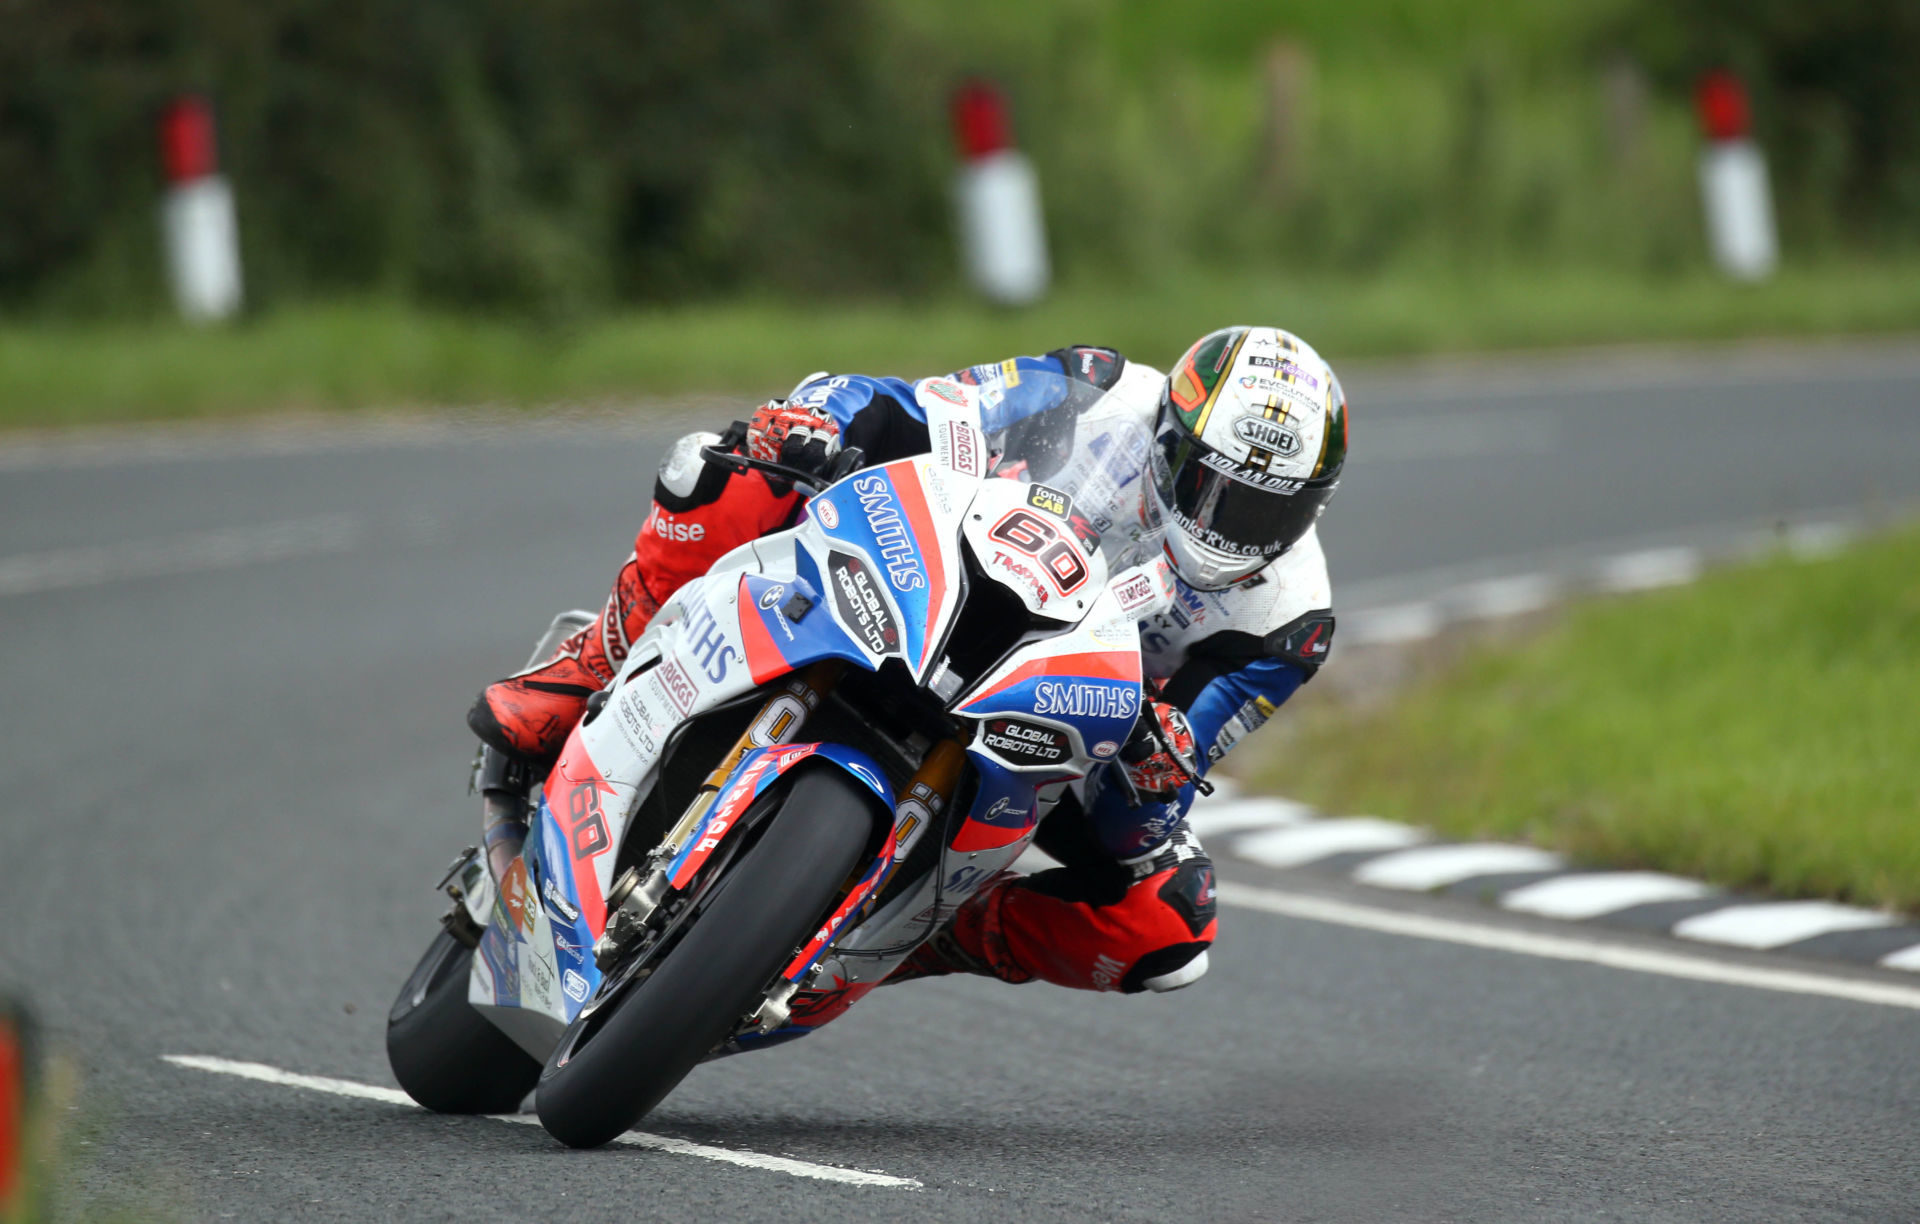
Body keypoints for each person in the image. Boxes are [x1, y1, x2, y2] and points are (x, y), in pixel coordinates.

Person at [468, 326, 1346, 1008]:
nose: (1231, 525)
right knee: (729, 465)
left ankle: (933, 932)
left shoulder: (1290, 623)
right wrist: (816, 422)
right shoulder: (1103, 389)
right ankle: (588, 669)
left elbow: (1129, 820)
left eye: (1268, 510)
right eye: (1216, 487)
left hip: (1063, 718)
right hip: (942, 579)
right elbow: (911, 407)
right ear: (1171, 440)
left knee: (1171, 925)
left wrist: (1157, 766)